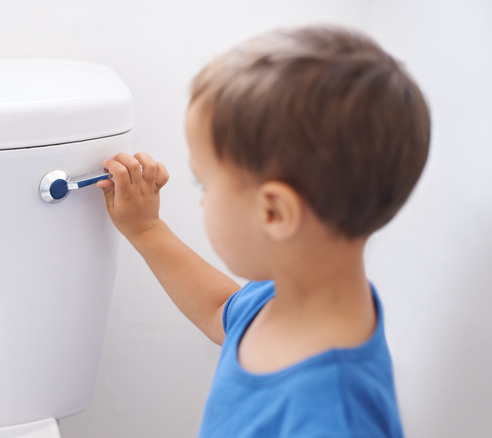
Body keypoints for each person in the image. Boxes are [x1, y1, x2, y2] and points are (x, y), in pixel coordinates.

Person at [96, 24, 430, 437]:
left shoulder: (334, 418)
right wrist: (146, 229)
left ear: (274, 212)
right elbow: (223, 312)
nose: (201, 200)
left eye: (205, 184)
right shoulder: (294, 292)